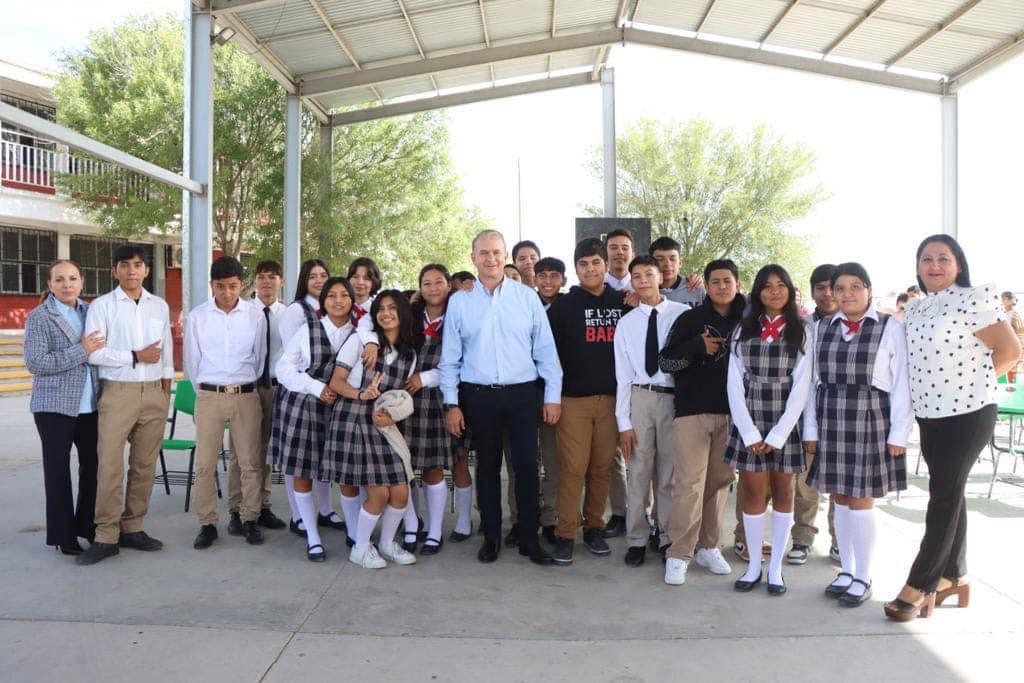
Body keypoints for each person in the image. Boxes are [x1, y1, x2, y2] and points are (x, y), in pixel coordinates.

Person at [885, 235, 1021, 621]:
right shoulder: (916, 309)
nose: (935, 265)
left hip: (969, 413)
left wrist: (971, 386)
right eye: (926, 259)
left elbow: (1010, 352)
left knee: (942, 497)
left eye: (944, 258)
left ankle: (921, 583)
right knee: (950, 490)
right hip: (931, 414)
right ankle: (954, 576)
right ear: (917, 267)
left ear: (958, 265)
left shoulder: (975, 298)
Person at [440, 229, 561, 566]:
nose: (490, 259)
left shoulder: (526, 298)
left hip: (523, 394)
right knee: (488, 469)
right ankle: (491, 536)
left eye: (496, 252)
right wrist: (451, 404)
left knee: (525, 468)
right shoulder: (460, 301)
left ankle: (529, 540)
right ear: (473, 258)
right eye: (483, 253)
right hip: (479, 398)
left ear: (504, 255)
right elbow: (450, 359)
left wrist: (552, 396)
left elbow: (546, 353)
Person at [802, 262, 912, 607]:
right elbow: (811, 384)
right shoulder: (821, 328)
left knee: (862, 500)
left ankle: (863, 576)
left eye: (854, 287)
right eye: (839, 288)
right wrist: (810, 428)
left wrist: (898, 433)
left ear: (868, 290)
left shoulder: (889, 328)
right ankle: (847, 570)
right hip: (831, 415)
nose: (846, 294)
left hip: (871, 418)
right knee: (840, 498)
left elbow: (901, 384)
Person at [78, 245, 174, 566]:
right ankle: (106, 535)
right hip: (117, 393)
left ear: (146, 270)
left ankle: (133, 527)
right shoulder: (102, 307)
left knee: (144, 464)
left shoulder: (159, 306)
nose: (132, 271)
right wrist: (135, 356)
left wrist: (166, 387)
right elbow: (94, 353)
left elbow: (166, 351)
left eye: (138, 265)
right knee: (110, 465)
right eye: (125, 265)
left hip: (154, 393)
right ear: (115, 270)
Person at [725, 264, 812, 596]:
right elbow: (734, 384)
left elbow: (802, 386)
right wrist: (749, 433)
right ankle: (752, 566)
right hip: (750, 420)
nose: (774, 291)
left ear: (789, 290)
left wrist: (777, 434)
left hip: (784, 422)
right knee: (752, 493)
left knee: (785, 493)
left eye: (781, 285)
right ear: (757, 292)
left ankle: (775, 567)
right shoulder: (742, 330)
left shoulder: (802, 330)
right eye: (767, 286)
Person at [659, 259, 745, 585]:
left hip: (734, 415)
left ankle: (709, 546)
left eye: (728, 281)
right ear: (706, 286)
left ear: (737, 284)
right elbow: (665, 360)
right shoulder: (690, 318)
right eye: (715, 281)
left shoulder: (748, 320)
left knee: (719, 483)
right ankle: (679, 553)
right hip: (692, 413)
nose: (722, 287)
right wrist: (697, 346)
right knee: (689, 485)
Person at [546, 238, 627, 565]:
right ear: (576, 270)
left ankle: (594, 527)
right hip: (573, 401)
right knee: (573, 468)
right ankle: (566, 533)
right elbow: (549, 357)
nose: (590, 269)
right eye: (583, 264)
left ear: (605, 266)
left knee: (602, 468)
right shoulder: (564, 306)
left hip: (611, 401)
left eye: (596, 263)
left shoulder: (622, 301)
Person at [326, 291, 420, 569]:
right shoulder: (359, 341)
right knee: (379, 493)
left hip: (382, 424)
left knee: (401, 491)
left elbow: (397, 394)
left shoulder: (409, 355)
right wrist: (360, 395)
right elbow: (336, 381)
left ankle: (387, 543)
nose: (386, 313)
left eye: (392, 308)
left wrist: (391, 414)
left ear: (403, 313)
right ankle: (361, 547)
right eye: (381, 309)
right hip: (352, 419)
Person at [185, 256, 268, 550]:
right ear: (211, 285)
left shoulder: (255, 316)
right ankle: (207, 523)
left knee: (249, 462)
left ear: (242, 285)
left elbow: (258, 359)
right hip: (209, 395)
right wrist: (209, 391)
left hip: (246, 394)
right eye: (220, 286)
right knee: (205, 465)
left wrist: (242, 385)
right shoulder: (197, 316)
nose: (227, 293)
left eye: (233, 286)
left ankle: (249, 518)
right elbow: (192, 363)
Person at [272, 277, 355, 561]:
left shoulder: (361, 333)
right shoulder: (308, 330)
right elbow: (283, 369)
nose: (338, 300)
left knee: (347, 474)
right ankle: (312, 536)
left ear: (353, 300)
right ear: (323, 301)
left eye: (345, 295)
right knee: (304, 472)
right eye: (331, 295)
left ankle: (356, 533)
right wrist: (317, 388)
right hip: (305, 407)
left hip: (345, 411)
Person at [25, 260, 103, 556]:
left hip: (90, 404)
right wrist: (81, 350)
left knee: (93, 467)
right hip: (53, 407)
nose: (67, 284)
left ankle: (88, 525)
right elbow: (37, 363)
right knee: (57, 471)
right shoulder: (39, 317)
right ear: (50, 285)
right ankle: (63, 535)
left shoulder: (90, 311)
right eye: (59, 279)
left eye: (72, 278)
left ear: (82, 282)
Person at [614, 255, 688, 566]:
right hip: (640, 398)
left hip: (673, 399)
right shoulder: (626, 322)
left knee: (670, 473)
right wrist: (623, 422)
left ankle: (667, 535)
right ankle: (636, 539)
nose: (643, 280)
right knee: (639, 471)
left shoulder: (681, 314)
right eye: (637, 276)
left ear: (661, 276)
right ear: (631, 281)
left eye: (649, 274)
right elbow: (622, 375)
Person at [278, 259, 344, 535]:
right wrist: (315, 386)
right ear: (304, 280)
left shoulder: (340, 313)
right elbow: (294, 359)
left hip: (332, 395)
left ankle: (326, 509)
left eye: (324, 275)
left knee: (322, 456)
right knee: (299, 460)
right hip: (303, 391)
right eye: (313, 276)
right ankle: (298, 515)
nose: (319, 280)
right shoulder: (297, 311)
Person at [401, 264, 462, 555]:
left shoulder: (457, 317)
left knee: (433, 469)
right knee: (404, 468)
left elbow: (462, 361)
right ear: (420, 288)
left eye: (439, 282)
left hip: (439, 401)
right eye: (427, 283)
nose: (433, 288)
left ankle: (436, 531)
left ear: (449, 285)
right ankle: (412, 525)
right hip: (406, 403)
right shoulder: (410, 318)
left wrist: (424, 378)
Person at [226, 261, 287, 537]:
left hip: (274, 388)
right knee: (242, 452)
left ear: (281, 282)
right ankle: (236, 509)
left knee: (265, 451)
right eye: (261, 277)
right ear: (254, 282)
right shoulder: (243, 312)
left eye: (272, 277)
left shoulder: (288, 314)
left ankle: (262, 505)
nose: (266, 282)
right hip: (246, 389)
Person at [788, 264, 840, 567]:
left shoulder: (853, 324)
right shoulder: (804, 326)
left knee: (842, 485)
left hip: (843, 415)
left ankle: (839, 541)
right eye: (820, 287)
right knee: (805, 484)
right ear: (812, 291)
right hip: (807, 413)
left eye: (833, 287)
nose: (828, 293)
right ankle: (803, 539)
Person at [601, 228, 636, 537]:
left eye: (625, 247)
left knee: (642, 452)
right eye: (613, 247)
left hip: (642, 383)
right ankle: (621, 512)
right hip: (607, 383)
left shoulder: (646, 286)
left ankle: (645, 514)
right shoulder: (595, 289)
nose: (619, 253)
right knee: (613, 454)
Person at [650, 236, 706, 308]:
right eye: (660, 259)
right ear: (651, 263)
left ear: (680, 263)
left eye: (672, 259)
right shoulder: (645, 290)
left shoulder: (695, 286)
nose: (667, 264)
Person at [1002, 291, 1024, 373]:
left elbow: (1021, 335)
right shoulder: (1002, 314)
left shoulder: (1015, 316)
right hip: (1004, 351)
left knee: (1012, 376)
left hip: (1013, 352)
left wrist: (1021, 354)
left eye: (1004, 298)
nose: (1002, 301)